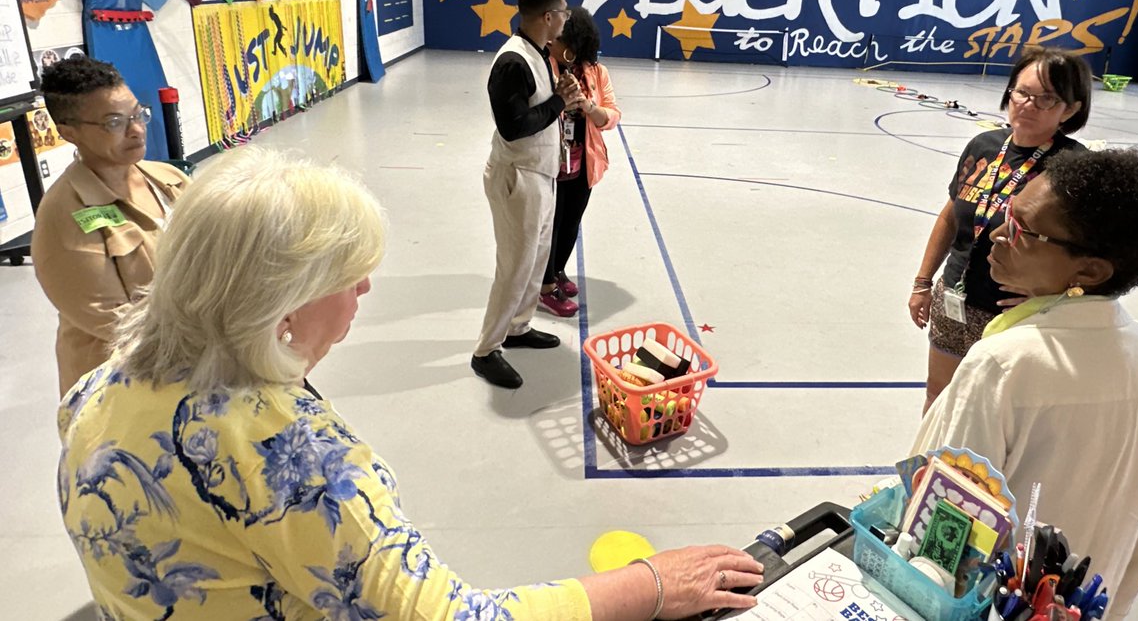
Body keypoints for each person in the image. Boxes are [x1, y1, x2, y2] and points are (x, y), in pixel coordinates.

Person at [58, 148, 764, 620]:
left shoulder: (98, 387)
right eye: (346, 276)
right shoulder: (293, 458)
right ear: (280, 307)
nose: (365, 286)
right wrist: (653, 583)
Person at [912, 148, 1138, 619]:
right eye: (1006, 215)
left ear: (1089, 271)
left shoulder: (1004, 363)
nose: (998, 235)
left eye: (1022, 231)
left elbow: (939, 534)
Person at [908, 47, 1092, 412]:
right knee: (938, 398)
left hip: (1015, 314)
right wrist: (923, 282)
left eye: (1046, 99)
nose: (1028, 104)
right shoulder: (984, 146)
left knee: (995, 413)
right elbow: (951, 216)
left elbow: (1093, 250)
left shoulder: (1072, 166)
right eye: (1022, 92)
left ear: (1069, 109)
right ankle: (932, 469)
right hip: (954, 300)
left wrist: (1057, 299)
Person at [31, 56, 190, 397]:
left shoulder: (170, 180)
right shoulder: (65, 214)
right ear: (68, 132)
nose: (136, 129)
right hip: (124, 388)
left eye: (137, 114)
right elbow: (118, 323)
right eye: (114, 122)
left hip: (194, 365)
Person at [473, 0, 584, 390]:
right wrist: (560, 103)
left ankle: (518, 327)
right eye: (564, 13)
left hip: (540, 174)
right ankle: (486, 350)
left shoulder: (540, 54)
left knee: (537, 259)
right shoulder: (511, 62)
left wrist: (559, 96)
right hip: (517, 177)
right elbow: (514, 127)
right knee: (515, 266)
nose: (567, 19)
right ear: (548, 17)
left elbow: (539, 107)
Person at [538, 7, 623, 317]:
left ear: (573, 45)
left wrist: (587, 105)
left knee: (571, 221)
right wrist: (559, 98)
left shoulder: (595, 73)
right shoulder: (543, 66)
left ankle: (556, 271)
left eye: (558, 38)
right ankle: (543, 287)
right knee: (550, 226)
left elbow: (611, 115)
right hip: (549, 163)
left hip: (582, 161)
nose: (550, 41)